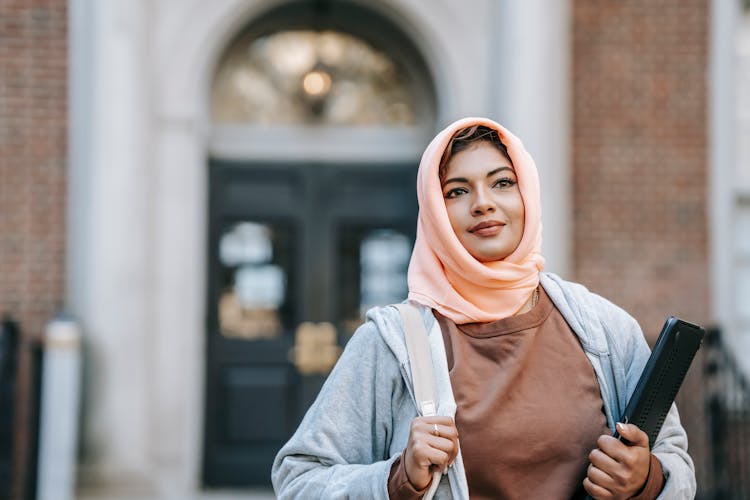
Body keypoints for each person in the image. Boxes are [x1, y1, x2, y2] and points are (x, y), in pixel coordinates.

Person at [271, 117, 696, 499]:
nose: (483, 203)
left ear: (527, 193)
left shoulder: (605, 329)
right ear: (435, 213)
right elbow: (299, 480)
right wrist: (394, 480)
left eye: (502, 183)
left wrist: (647, 480)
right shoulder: (390, 343)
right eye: (457, 191)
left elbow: (676, 464)